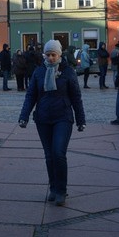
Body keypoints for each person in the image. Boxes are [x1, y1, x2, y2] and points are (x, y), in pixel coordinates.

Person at [18, 39, 85, 207]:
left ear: (59, 55)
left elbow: (76, 97)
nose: (50, 58)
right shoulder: (38, 72)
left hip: (63, 117)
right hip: (43, 118)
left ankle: (62, 190)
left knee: (58, 153)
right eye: (47, 55)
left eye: (53, 55)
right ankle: (53, 188)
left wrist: (81, 119)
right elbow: (31, 95)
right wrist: (24, 116)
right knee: (49, 156)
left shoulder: (68, 72)